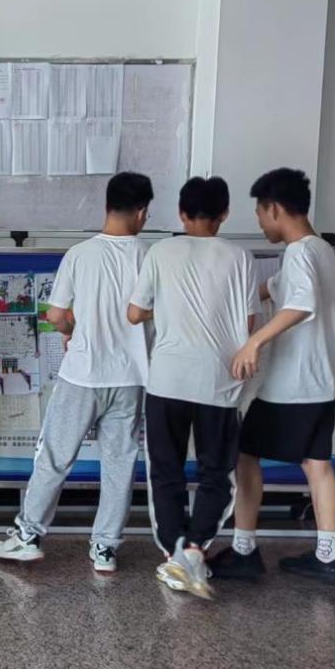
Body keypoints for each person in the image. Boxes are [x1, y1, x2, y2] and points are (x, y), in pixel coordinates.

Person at [0, 172, 153, 573]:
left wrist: (72, 331)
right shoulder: (150, 255)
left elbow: (56, 315)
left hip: (82, 373)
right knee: (119, 464)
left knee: (55, 456)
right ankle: (105, 549)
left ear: (107, 205)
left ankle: (29, 536)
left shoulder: (81, 254)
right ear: (142, 212)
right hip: (131, 376)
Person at [211, 168, 335, 585]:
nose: (259, 222)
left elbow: (301, 304)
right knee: (317, 464)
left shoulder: (301, 253)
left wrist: (253, 343)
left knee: (246, 456)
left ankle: (243, 551)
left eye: (259, 212)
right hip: (324, 381)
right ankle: (328, 557)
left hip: (294, 386)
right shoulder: (321, 250)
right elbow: (270, 289)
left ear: (274, 209)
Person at [127, 176, 258, 599]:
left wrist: (167, 310)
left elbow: (135, 313)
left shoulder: (160, 252)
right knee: (216, 471)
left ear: (181, 214)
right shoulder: (240, 257)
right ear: (224, 214)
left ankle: (174, 551)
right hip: (219, 381)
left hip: (167, 379)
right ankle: (196, 548)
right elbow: (249, 323)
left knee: (165, 469)